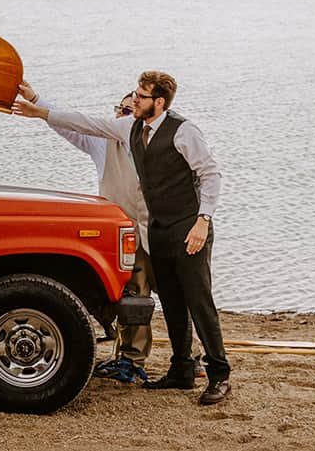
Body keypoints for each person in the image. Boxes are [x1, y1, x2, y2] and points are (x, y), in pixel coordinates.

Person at [15, 71, 231, 406]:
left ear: (158, 102)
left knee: (198, 302)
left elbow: (210, 174)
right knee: (172, 303)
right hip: (155, 229)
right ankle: (182, 370)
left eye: (141, 96)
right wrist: (40, 109)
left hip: (188, 228)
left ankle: (219, 375)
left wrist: (203, 220)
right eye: (134, 94)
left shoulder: (184, 131)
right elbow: (83, 123)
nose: (134, 101)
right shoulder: (129, 128)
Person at [17, 81, 154, 384]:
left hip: (157, 228)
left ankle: (190, 359)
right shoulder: (102, 142)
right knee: (132, 295)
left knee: (177, 294)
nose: (122, 114)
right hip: (123, 232)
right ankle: (131, 360)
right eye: (120, 109)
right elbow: (71, 124)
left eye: (129, 109)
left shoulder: (151, 141)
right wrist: (38, 101)